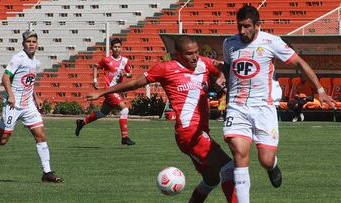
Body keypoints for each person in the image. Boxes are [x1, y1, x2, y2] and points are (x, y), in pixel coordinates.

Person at [84, 36, 237, 203]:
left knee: (211, 180)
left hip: (196, 133)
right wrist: (102, 92)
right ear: (178, 54)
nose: (194, 57)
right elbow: (135, 83)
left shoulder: (204, 63)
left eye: (196, 52)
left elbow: (223, 68)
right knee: (229, 169)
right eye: (189, 54)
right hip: (190, 133)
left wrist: (221, 77)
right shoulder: (165, 68)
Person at [222, 5, 335, 203]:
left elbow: (299, 63)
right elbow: (228, 68)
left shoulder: (271, 42)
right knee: (240, 154)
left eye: (247, 26)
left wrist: (321, 90)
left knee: (265, 160)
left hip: (263, 108)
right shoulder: (229, 43)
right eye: (239, 26)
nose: (242, 31)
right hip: (237, 107)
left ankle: (273, 166)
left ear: (258, 25)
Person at [0, 30, 62, 183]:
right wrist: (11, 95)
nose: (31, 44)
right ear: (23, 43)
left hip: (28, 105)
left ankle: (47, 173)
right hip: (13, 105)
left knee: (41, 135)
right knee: (2, 140)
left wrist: (36, 97)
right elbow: (5, 77)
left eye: (33, 41)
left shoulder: (36, 62)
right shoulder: (18, 58)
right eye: (28, 41)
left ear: (37, 44)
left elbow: (28, 82)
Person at [75, 38, 135, 145]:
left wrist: (126, 74)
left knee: (102, 113)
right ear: (111, 48)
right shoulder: (106, 60)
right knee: (125, 110)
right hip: (110, 90)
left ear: (121, 48)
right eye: (115, 47)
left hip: (118, 90)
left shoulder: (125, 61)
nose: (117, 49)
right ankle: (124, 137)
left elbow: (131, 73)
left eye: (119, 47)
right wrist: (94, 80)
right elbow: (95, 67)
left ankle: (82, 122)